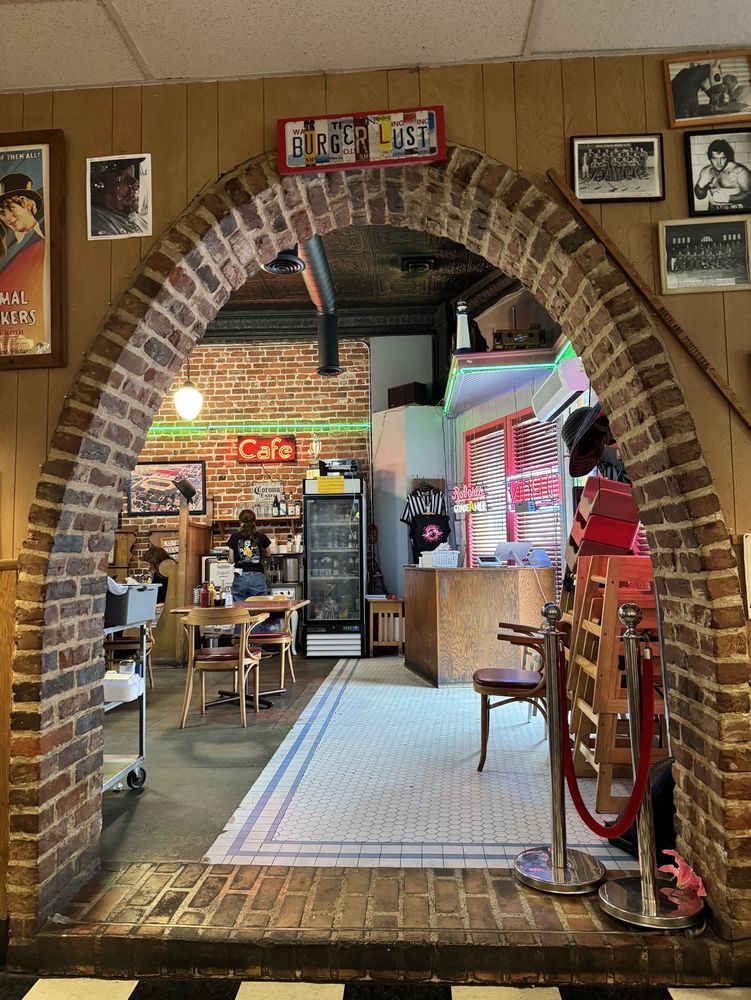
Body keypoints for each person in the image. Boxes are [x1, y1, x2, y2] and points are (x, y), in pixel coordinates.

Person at [89, 157, 149, 237]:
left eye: (132, 174)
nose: (135, 182)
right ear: (97, 187)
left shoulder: (133, 217)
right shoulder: (96, 221)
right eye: (121, 178)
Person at [693, 138, 751, 212]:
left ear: (727, 157)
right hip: (713, 209)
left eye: (722, 158)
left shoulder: (739, 171)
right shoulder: (706, 171)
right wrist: (701, 185)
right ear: (710, 158)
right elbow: (700, 196)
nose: (719, 162)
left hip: (735, 210)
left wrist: (726, 198)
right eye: (715, 159)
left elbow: (749, 195)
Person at [226, 509, 271, 601]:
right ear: (254, 521)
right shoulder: (261, 536)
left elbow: (231, 560)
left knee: (239, 607)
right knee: (260, 605)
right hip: (257, 577)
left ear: (240, 522)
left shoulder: (234, 537)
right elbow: (268, 553)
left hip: (240, 576)